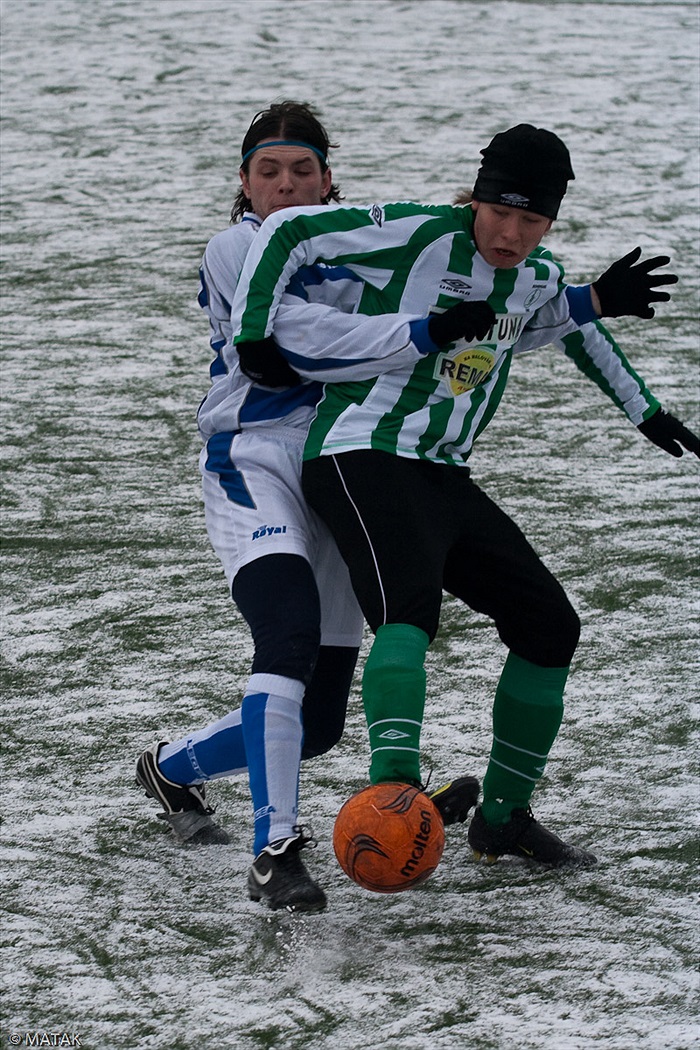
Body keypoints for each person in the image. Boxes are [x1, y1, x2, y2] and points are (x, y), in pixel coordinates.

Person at [228, 123, 698, 870]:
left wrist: (645, 407)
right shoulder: (418, 233)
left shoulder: (537, 274)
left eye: (532, 221)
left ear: (550, 221)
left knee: (551, 627)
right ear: (476, 198)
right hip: (359, 452)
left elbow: (569, 326)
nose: (511, 235)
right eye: (500, 213)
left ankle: (503, 818)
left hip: (445, 474)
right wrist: (253, 335)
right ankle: (394, 797)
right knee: (408, 617)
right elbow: (288, 230)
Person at [135, 102, 481, 914]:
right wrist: (425, 330)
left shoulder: (363, 250)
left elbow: (454, 286)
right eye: (268, 171)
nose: (286, 185)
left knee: (319, 721)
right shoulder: (238, 249)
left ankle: (169, 766)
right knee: (284, 637)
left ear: (329, 178)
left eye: (302, 169)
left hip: (344, 469)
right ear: (245, 186)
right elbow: (299, 345)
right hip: (253, 461)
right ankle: (274, 852)